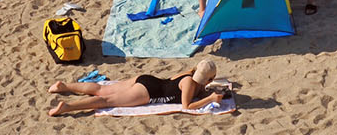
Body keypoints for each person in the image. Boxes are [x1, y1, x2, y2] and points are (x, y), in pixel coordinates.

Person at [45, 60, 229, 117]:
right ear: (209, 78)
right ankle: (67, 107)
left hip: (147, 80)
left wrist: (209, 91)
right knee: (105, 101)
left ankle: (64, 86)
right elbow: (186, 106)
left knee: (102, 89)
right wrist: (211, 99)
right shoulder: (190, 84)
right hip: (148, 93)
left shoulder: (189, 74)